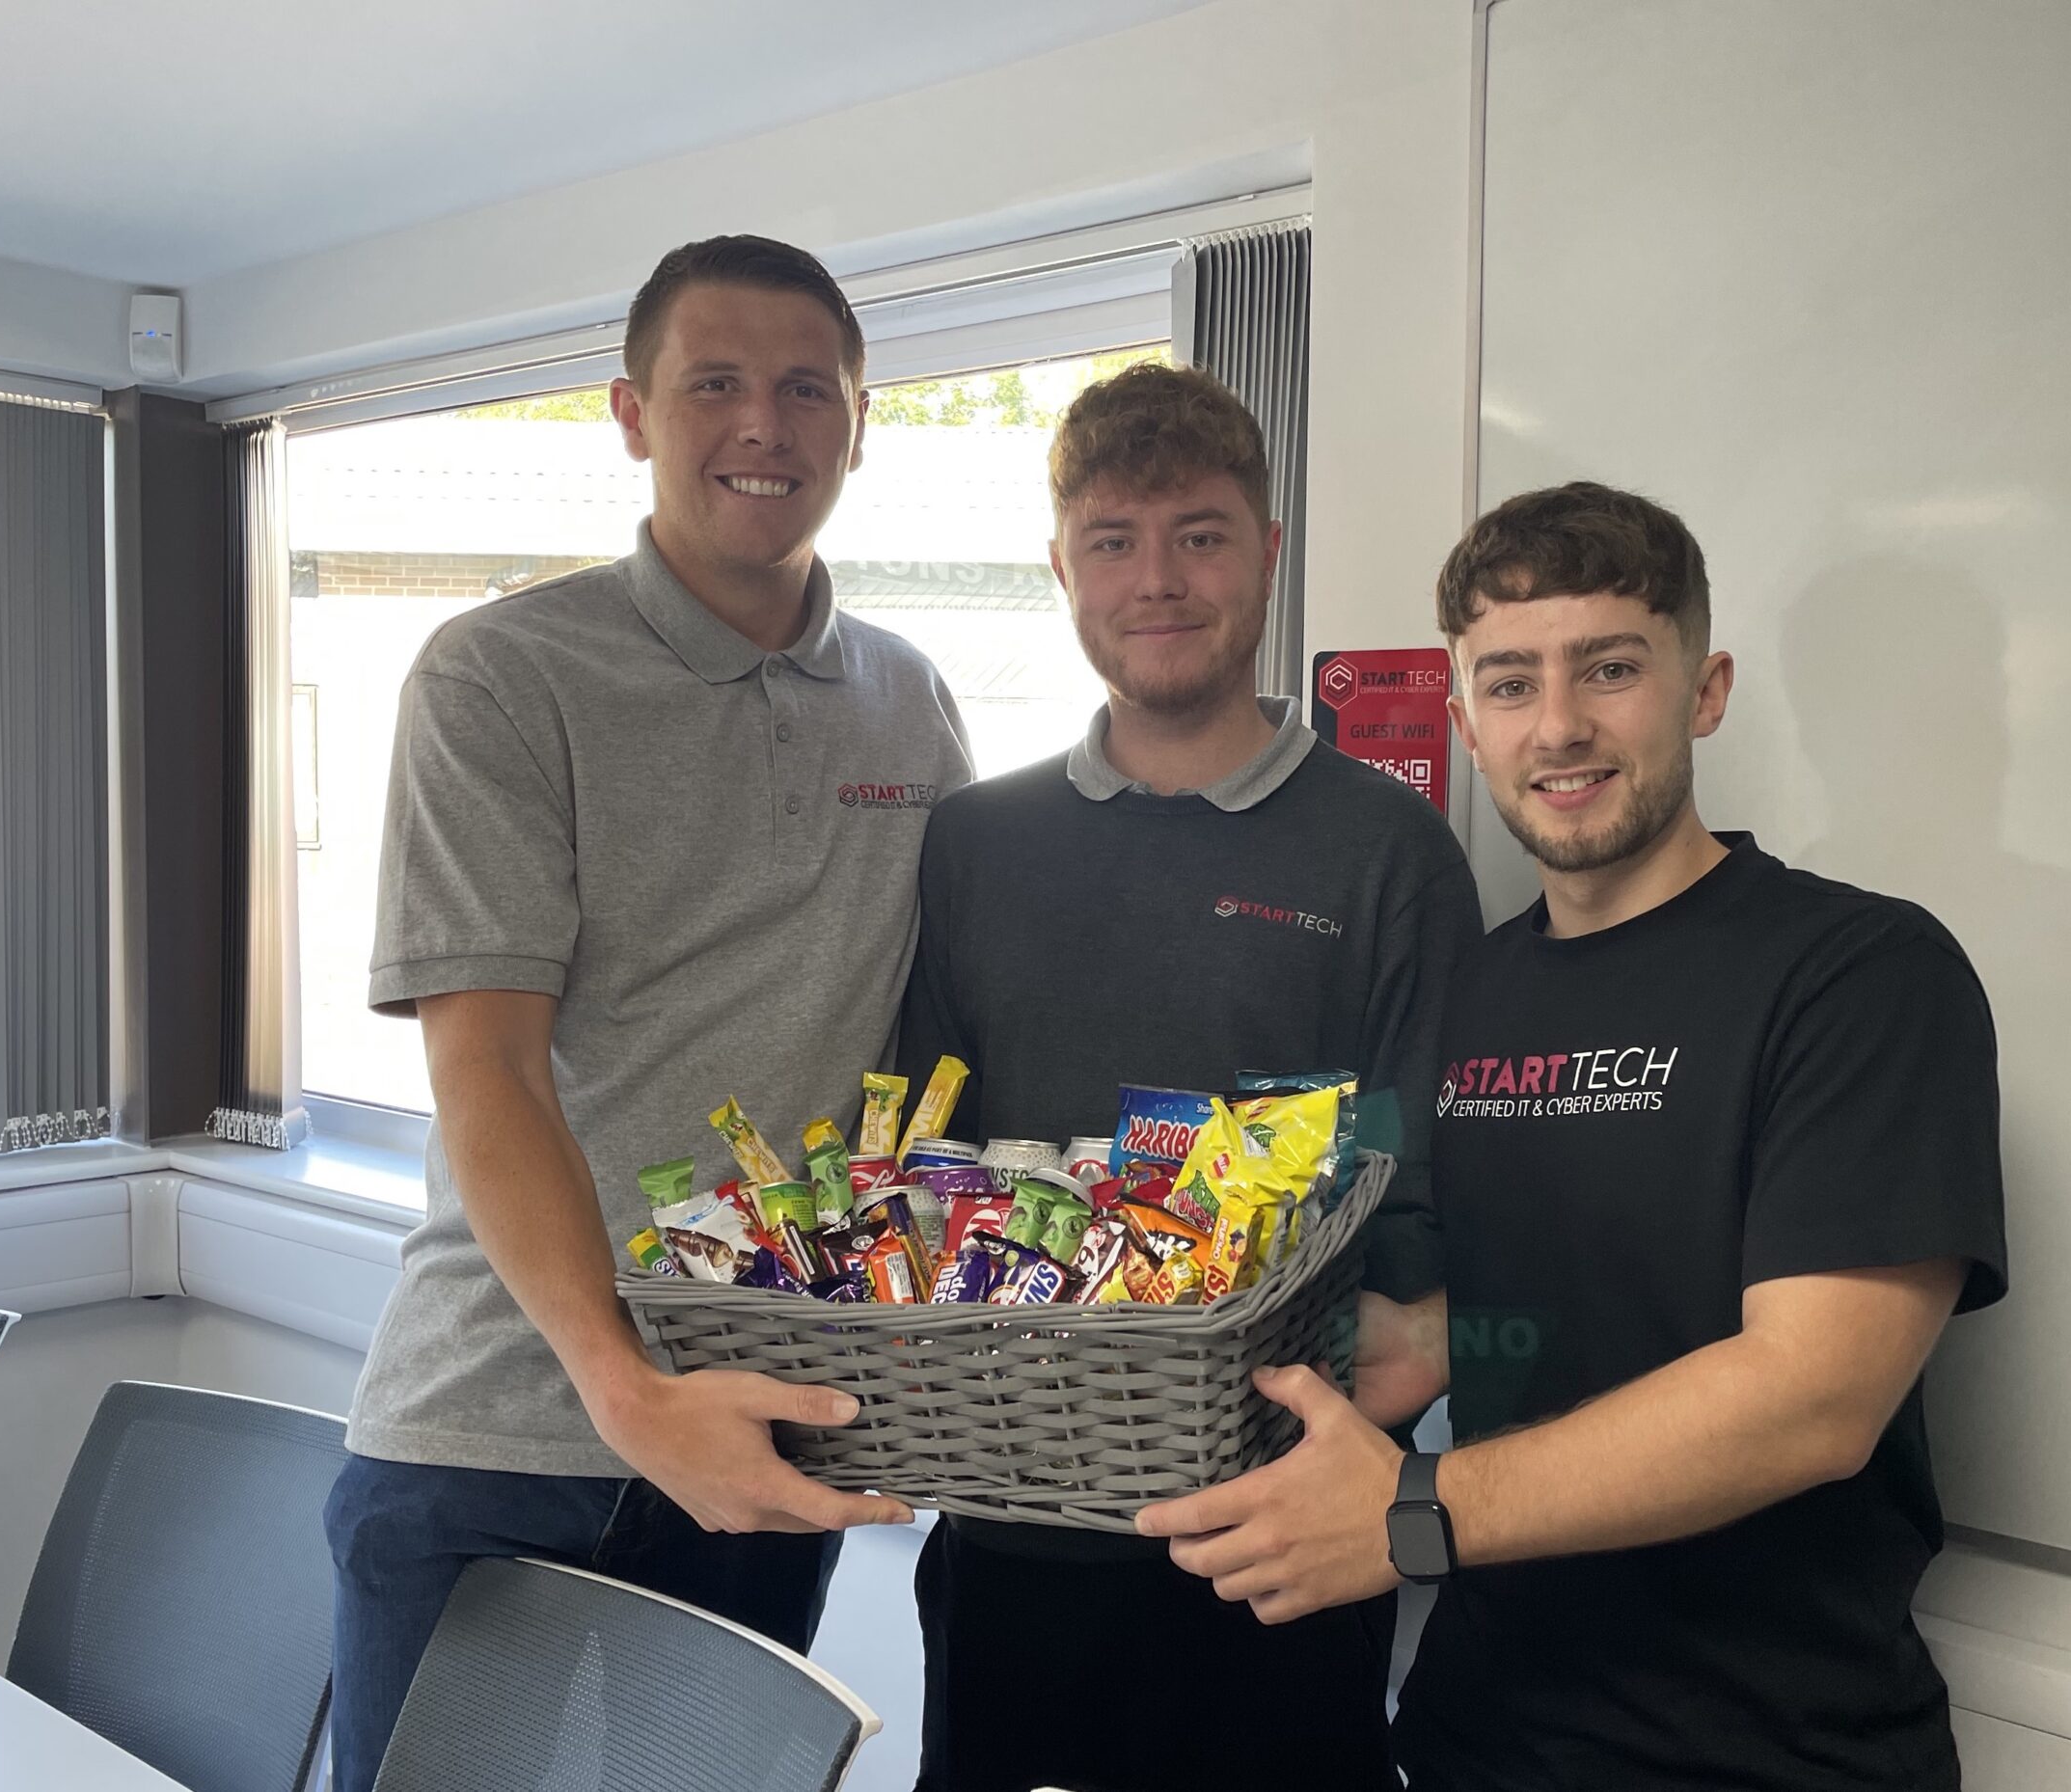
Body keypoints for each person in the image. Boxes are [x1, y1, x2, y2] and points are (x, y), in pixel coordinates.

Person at [1143, 480, 2009, 1792]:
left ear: (1704, 687)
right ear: (1462, 721)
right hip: (1477, 1736)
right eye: (1509, 682)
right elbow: (1488, 1314)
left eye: (1609, 668)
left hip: (1773, 1757)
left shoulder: (1862, 971)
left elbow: (1815, 1397)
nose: (1558, 726)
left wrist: (1414, 1513)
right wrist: (1204, 1360)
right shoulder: (1475, 991)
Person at [321, 234, 968, 1792]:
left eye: (809, 388)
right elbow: (486, 1068)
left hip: (755, 1434)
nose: (767, 424)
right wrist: (629, 1395)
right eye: (717, 384)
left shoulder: (914, 701)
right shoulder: (501, 676)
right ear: (630, 411)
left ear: (861, 424)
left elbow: (926, 1068)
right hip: (502, 1434)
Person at [894, 362, 1485, 1792]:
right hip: (1014, 1537)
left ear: (1270, 554)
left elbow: (1437, 1214)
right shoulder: (977, 840)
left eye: (1202, 534)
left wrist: (1315, 1465)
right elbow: (922, 1170)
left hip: (1280, 1547)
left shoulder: (1387, 851)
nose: (1158, 580)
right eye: (1114, 541)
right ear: (1062, 569)